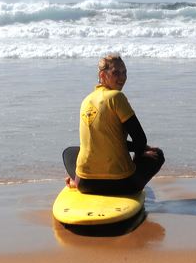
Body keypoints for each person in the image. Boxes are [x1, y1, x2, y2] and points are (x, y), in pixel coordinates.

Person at [63, 54, 165, 195]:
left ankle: (75, 180)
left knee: (71, 152)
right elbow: (140, 140)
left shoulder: (86, 100)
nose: (122, 77)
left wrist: (140, 148)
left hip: (85, 184)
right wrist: (142, 152)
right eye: (116, 73)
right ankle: (132, 178)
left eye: (124, 73)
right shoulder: (117, 97)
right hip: (121, 185)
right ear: (102, 75)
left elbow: (104, 140)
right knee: (157, 154)